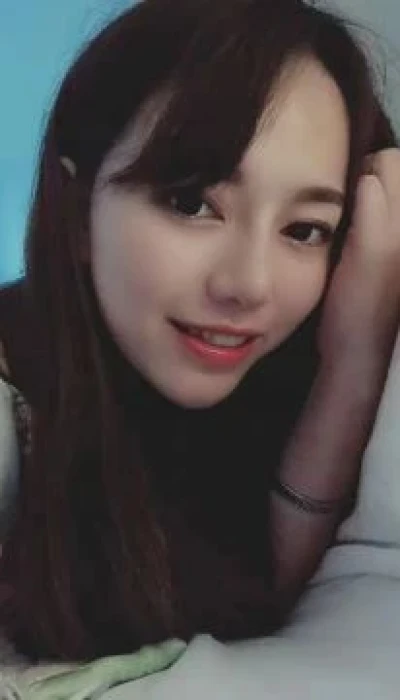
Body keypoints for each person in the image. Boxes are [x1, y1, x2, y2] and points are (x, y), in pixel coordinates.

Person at [0, 0, 399, 668]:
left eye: (305, 229)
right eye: (191, 202)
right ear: (76, 210)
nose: (249, 284)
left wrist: (355, 357)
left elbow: (261, 585)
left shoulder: (280, 378)